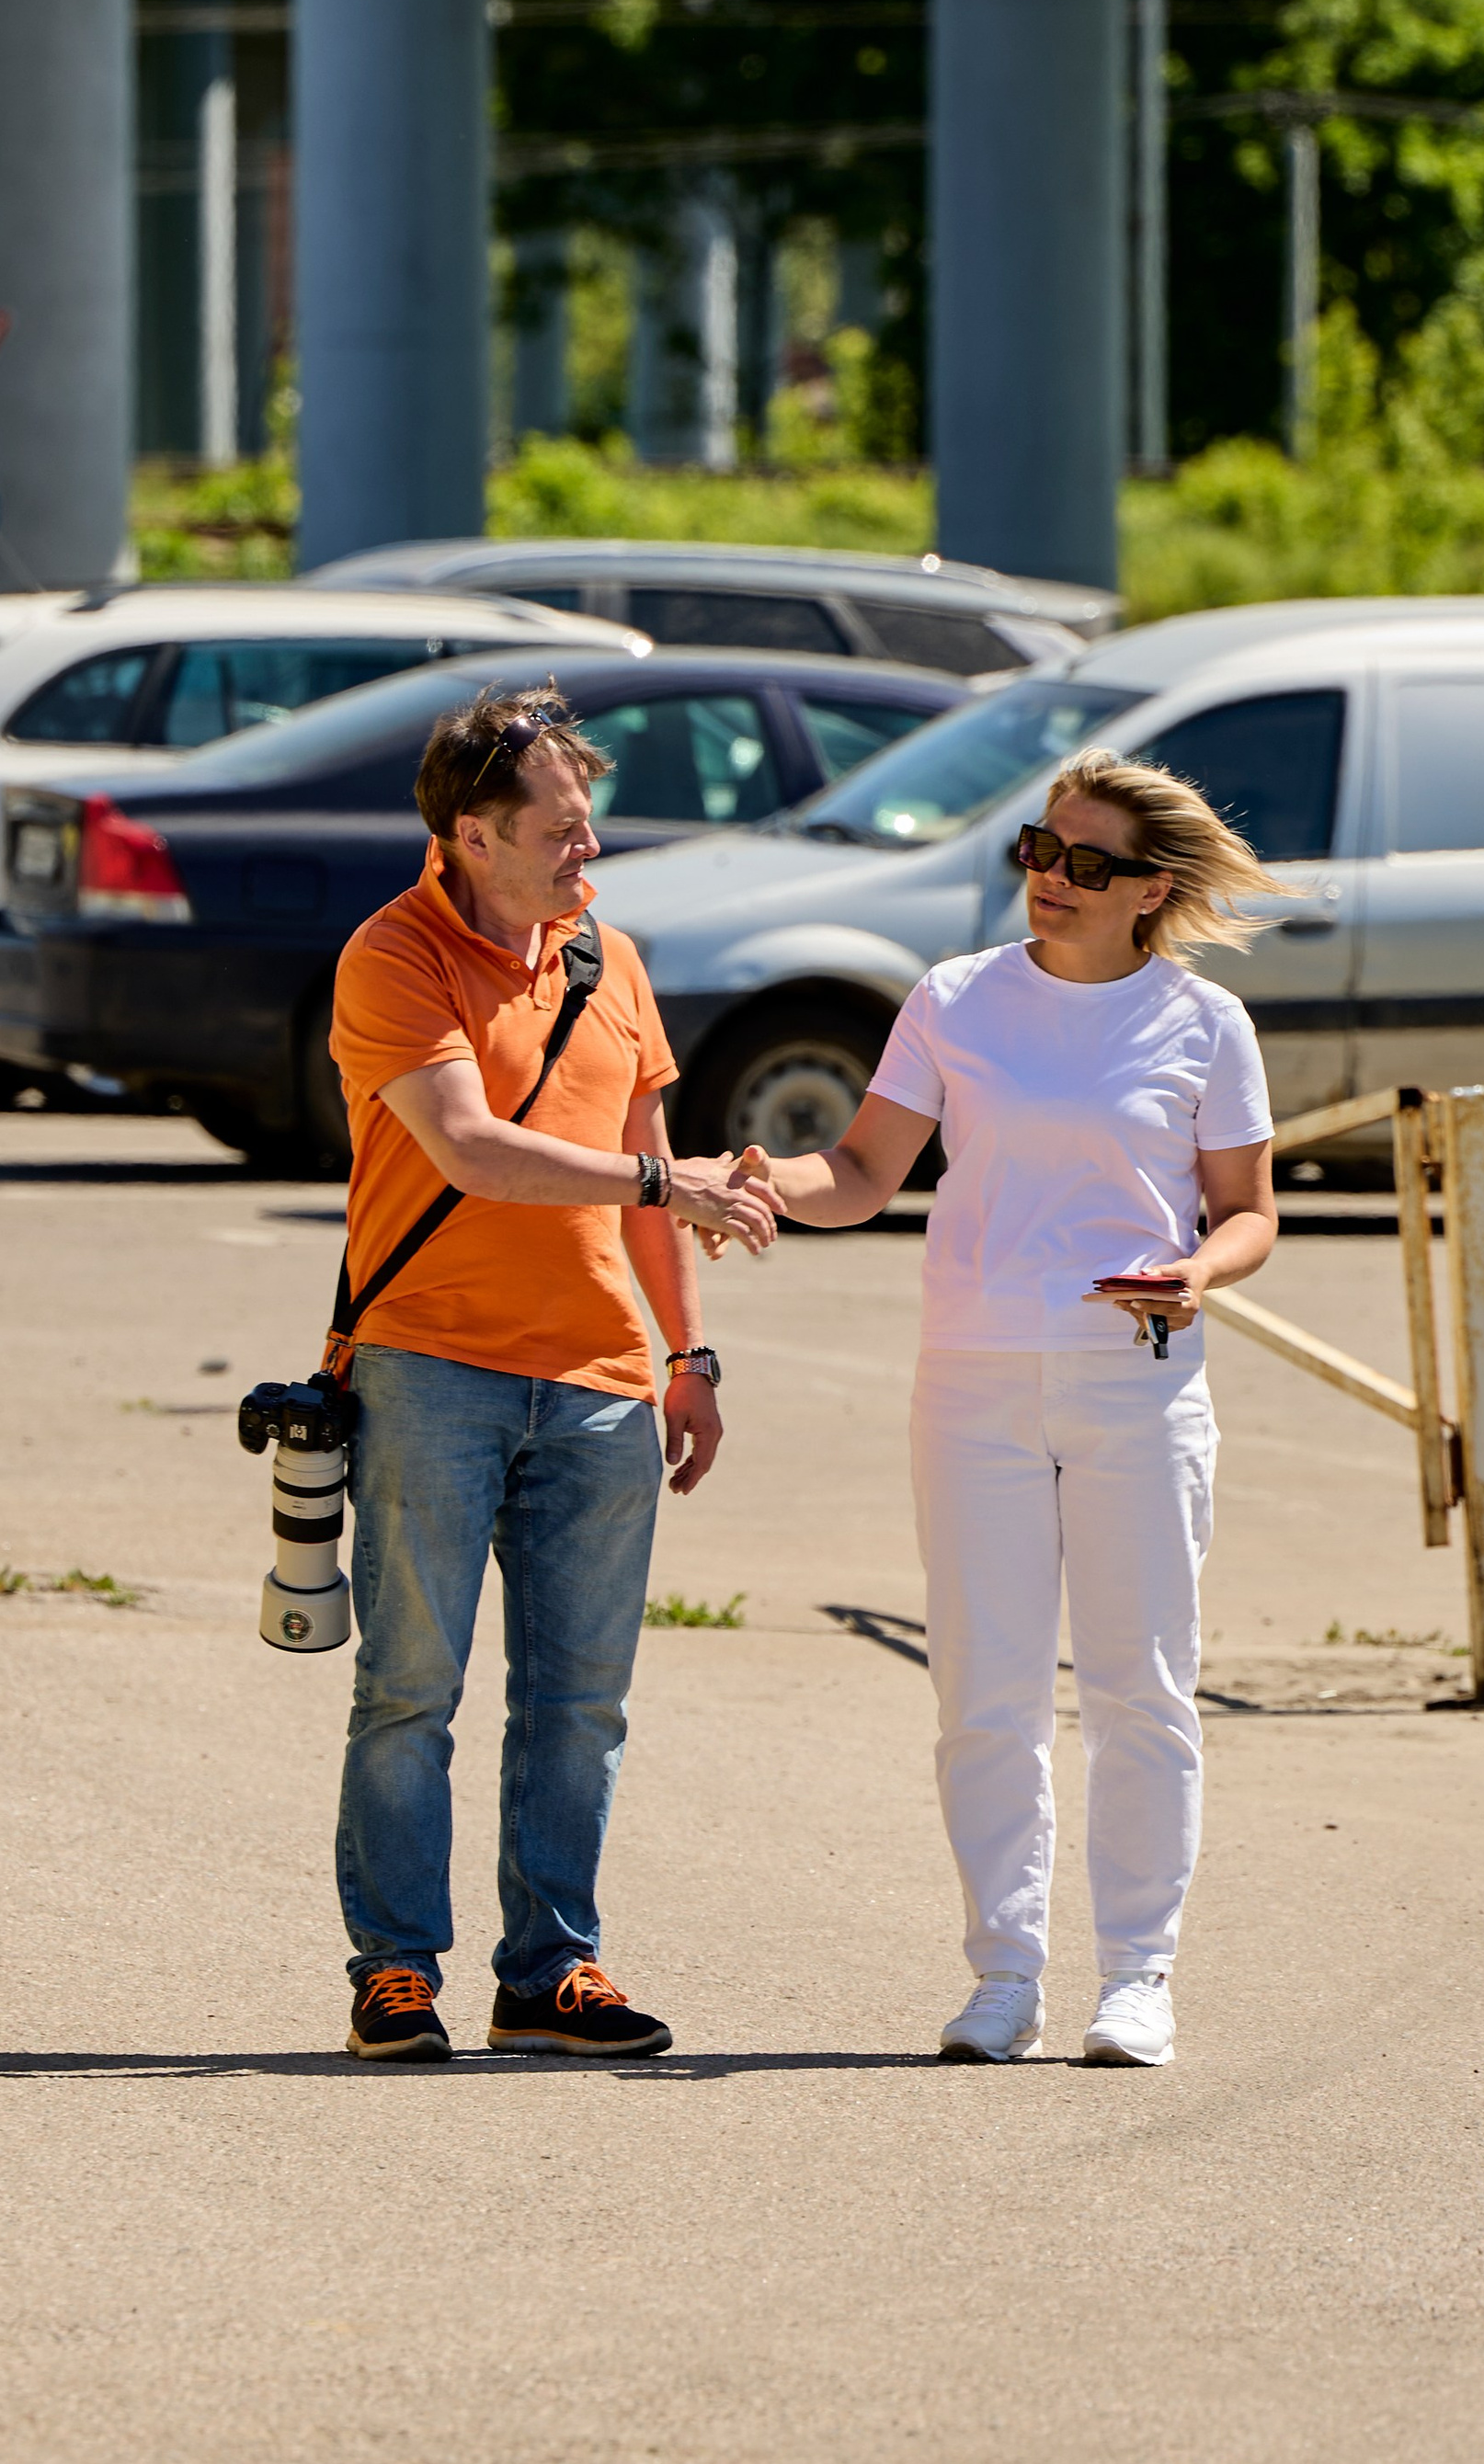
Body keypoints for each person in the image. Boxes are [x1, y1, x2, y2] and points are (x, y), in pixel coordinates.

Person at [741, 747, 1283, 2068]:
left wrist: (1197, 1270)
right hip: (973, 1373)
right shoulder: (955, 999)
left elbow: (1251, 1210)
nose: (1051, 879)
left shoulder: (1204, 1024)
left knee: (1139, 1688)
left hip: (1133, 1380)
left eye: (1087, 865)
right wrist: (761, 1181)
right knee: (983, 1692)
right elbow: (865, 1169)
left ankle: (1139, 1977)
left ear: (1151, 889)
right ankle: (1006, 1971)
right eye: (1040, 850)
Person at [323, 682, 776, 2066]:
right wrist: (666, 1173)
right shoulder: (393, 955)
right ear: (472, 833)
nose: (589, 854)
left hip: (598, 1381)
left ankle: (552, 1969)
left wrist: (685, 1355)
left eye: (590, 829)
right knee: (412, 1685)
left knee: (581, 1701)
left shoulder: (609, 962)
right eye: (563, 832)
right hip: (429, 1368)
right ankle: (398, 1969)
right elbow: (474, 1150)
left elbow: (652, 1196)